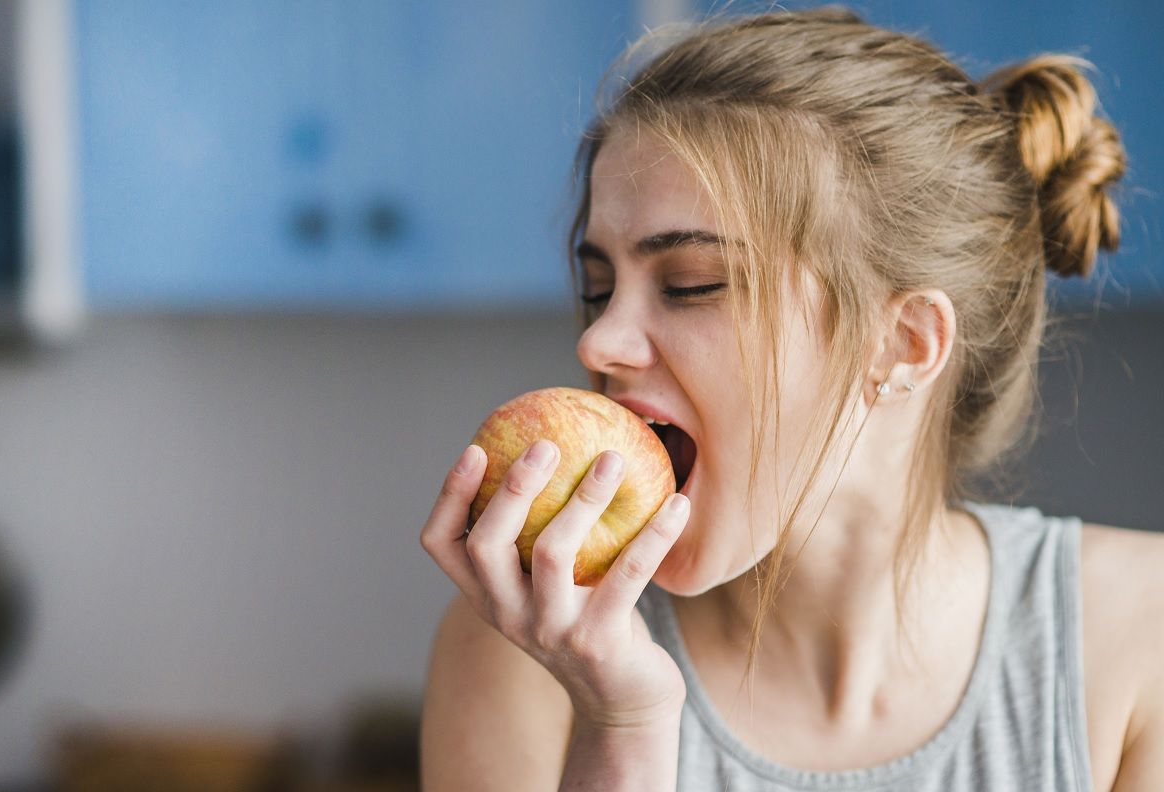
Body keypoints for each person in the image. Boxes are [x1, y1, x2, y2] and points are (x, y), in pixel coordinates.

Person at [418, 7, 1162, 791]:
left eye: (691, 285)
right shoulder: (527, 654)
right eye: (599, 286)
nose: (598, 341)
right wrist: (623, 729)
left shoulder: (1137, 635)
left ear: (904, 343)